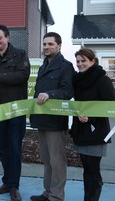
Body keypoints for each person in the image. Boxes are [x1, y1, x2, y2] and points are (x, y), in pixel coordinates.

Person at [0, 25, 30, 201]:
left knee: (15, 147)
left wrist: (0, 77)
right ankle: (7, 182)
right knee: (2, 148)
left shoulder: (20, 55)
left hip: (16, 109)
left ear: (7, 37)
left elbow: (23, 75)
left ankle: (14, 186)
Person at [29, 32, 75, 201]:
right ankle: (47, 192)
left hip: (55, 122)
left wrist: (49, 93)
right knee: (47, 160)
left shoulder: (66, 67)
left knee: (57, 162)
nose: (46, 47)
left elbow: (68, 91)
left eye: (50, 44)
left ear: (59, 45)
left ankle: (56, 196)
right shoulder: (43, 66)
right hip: (42, 119)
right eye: (45, 44)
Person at [70, 48, 115, 201]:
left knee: (92, 170)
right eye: (78, 61)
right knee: (86, 169)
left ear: (93, 61)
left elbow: (110, 106)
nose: (80, 64)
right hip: (81, 130)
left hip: (96, 131)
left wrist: (91, 117)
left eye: (84, 61)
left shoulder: (103, 80)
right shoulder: (77, 79)